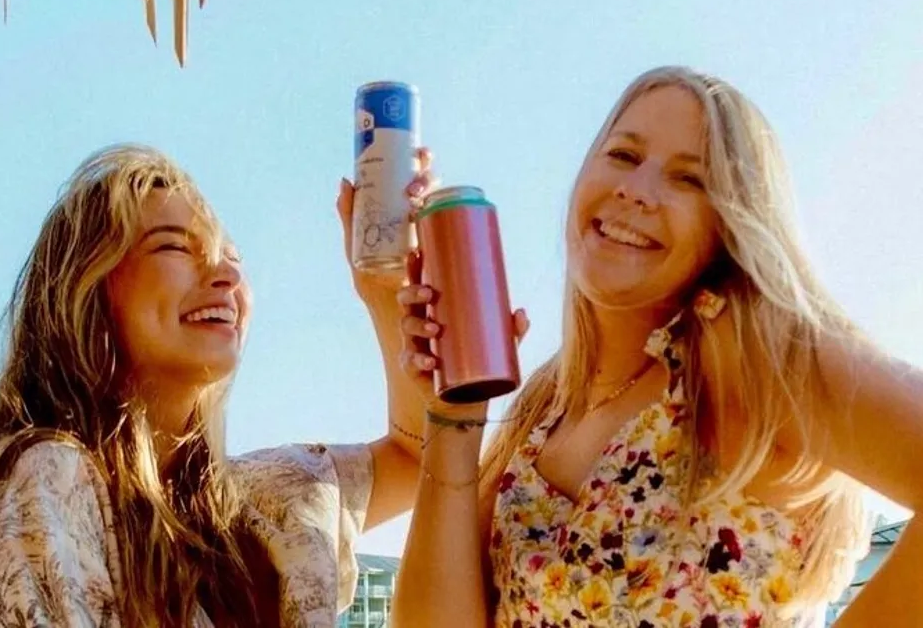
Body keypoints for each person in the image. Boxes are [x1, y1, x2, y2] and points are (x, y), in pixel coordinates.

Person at [390, 66, 923, 627]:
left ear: (729, 222)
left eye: (688, 179)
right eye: (623, 155)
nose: (635, 190)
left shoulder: (742, 352)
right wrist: (452, 418)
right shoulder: (544, 406)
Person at [0, 144, 430, 628]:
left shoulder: (263, 501)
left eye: (232, 256)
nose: (226, 273)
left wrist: (386, 291)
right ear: (86, 289)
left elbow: (423, 459)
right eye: (173, 246)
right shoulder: (51, 479)